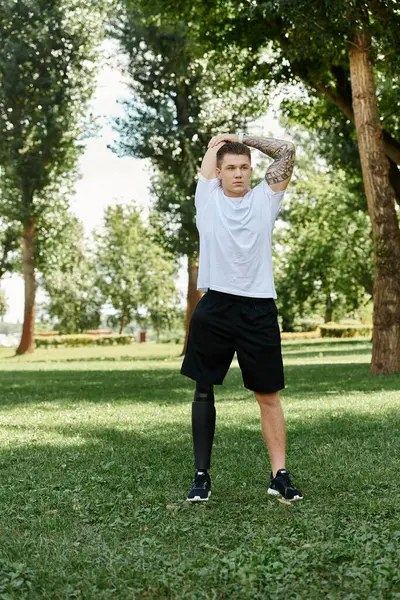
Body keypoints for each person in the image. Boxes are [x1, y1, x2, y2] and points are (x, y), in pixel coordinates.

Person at [180, 132, 303, 503]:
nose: (238, 173)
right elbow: (208, 165)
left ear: (252, 171)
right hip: (215, 305)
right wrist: (215, 144)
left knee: (268, 394)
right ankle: (202, 476)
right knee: (203, 388)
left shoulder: (266, 200)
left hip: (258, 308)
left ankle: (279, 475)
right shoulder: (208, 198)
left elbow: (287, 151)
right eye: (230, 168)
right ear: (218, 172)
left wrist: (245, 138)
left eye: (244, 167)